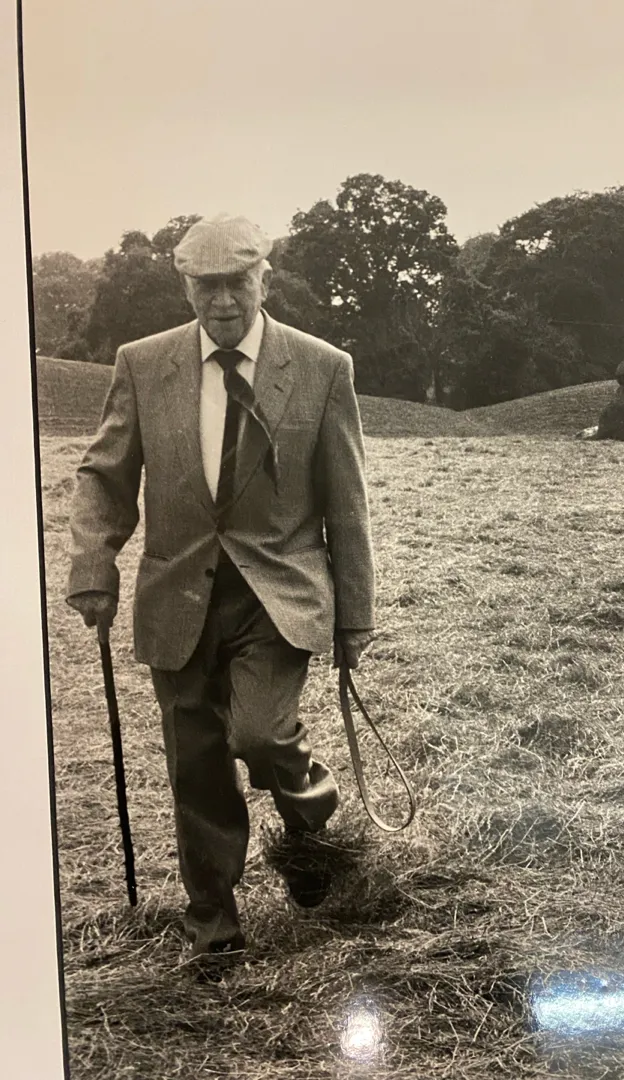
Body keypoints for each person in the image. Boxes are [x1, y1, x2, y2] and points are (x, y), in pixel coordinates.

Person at [66, 213, 376, 962]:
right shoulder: (143, 364)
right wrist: (93, 566)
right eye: (206, 287)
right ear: (187, 288)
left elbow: (347, 501)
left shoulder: (322, 368)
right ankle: (213, 922)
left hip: (280, 596)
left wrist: (355, 616)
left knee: (260, 734)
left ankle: (310, 816)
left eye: (237, 283)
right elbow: (105, 475)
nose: (223, 301)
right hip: (177, 597)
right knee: (196, 763)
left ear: (264, 278)